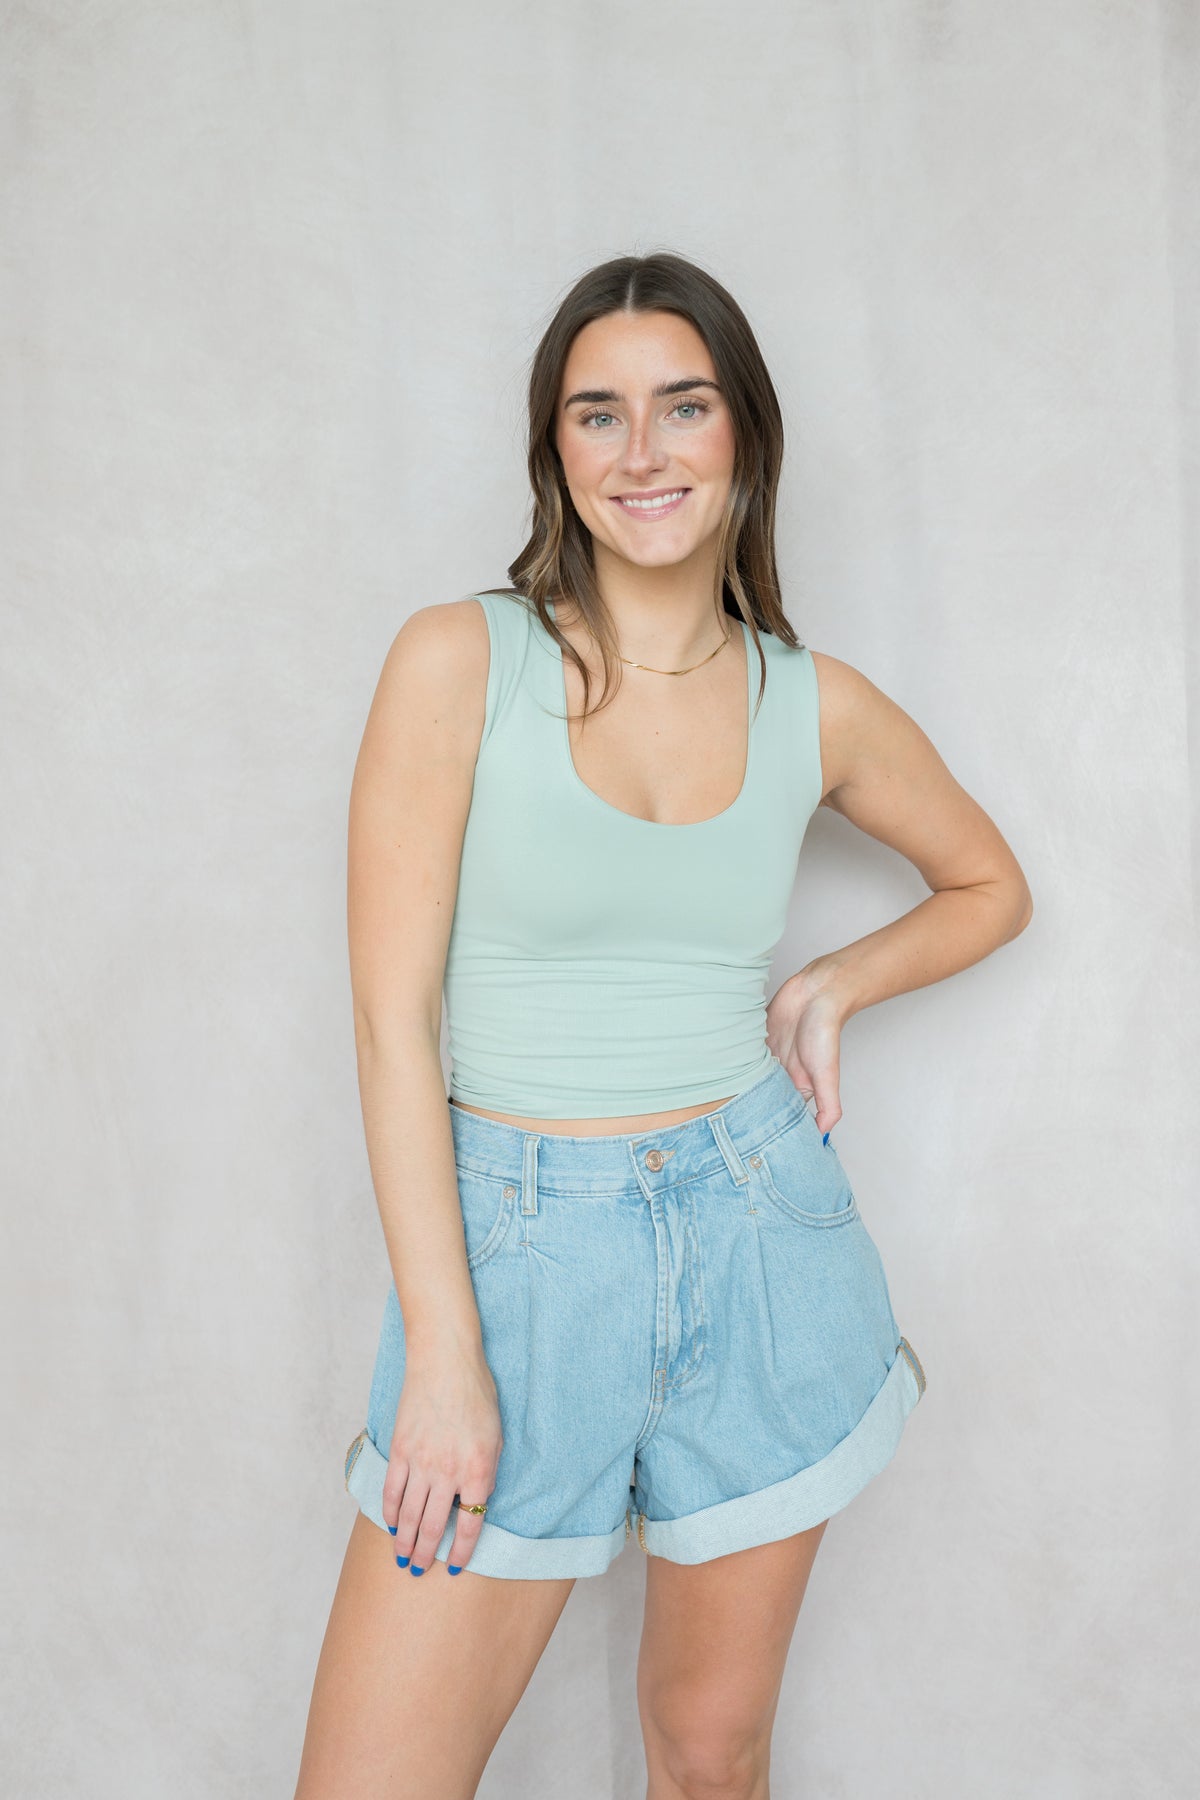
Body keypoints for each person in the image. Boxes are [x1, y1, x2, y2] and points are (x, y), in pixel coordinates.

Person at [293, 250, 1033, 1799]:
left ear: (743, 433)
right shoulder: (459, 660)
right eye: (598, 413)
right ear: (556, 450)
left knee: (709, 1753)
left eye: (683, 406)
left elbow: (990, 887)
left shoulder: (812, 702)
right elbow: (389, 1026)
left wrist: (830, 984)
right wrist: (447, 1354)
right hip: (518, 1263)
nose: (642, 451)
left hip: (760, 1240)